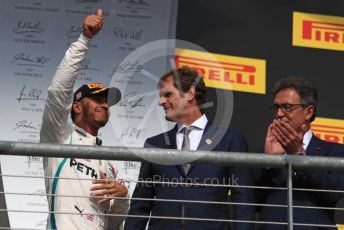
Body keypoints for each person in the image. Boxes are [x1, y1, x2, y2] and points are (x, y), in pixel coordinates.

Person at [124, 66, 255, 230]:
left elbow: (243, 203)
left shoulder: (230, 139)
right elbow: (140, 204)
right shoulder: (154, 144)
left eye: (167, 94)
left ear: (190, 93)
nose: (161, 102)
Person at [40, 9, 129, 230]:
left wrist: (122, 198)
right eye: (97, 98)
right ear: (76, 106)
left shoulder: (109, 163)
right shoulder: (60, 136)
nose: (105, 104)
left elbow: (116, 224)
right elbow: (58, 92)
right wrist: (85, 39)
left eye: (107, 101)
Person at [257, 76, 344, 229]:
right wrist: (268, 162)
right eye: (276, 107)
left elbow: (334, 193)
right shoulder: (266, 151)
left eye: (286, 107)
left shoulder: (334, 152)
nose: (279, 114)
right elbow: (250, 201)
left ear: (308, 112)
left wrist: (299, 156)